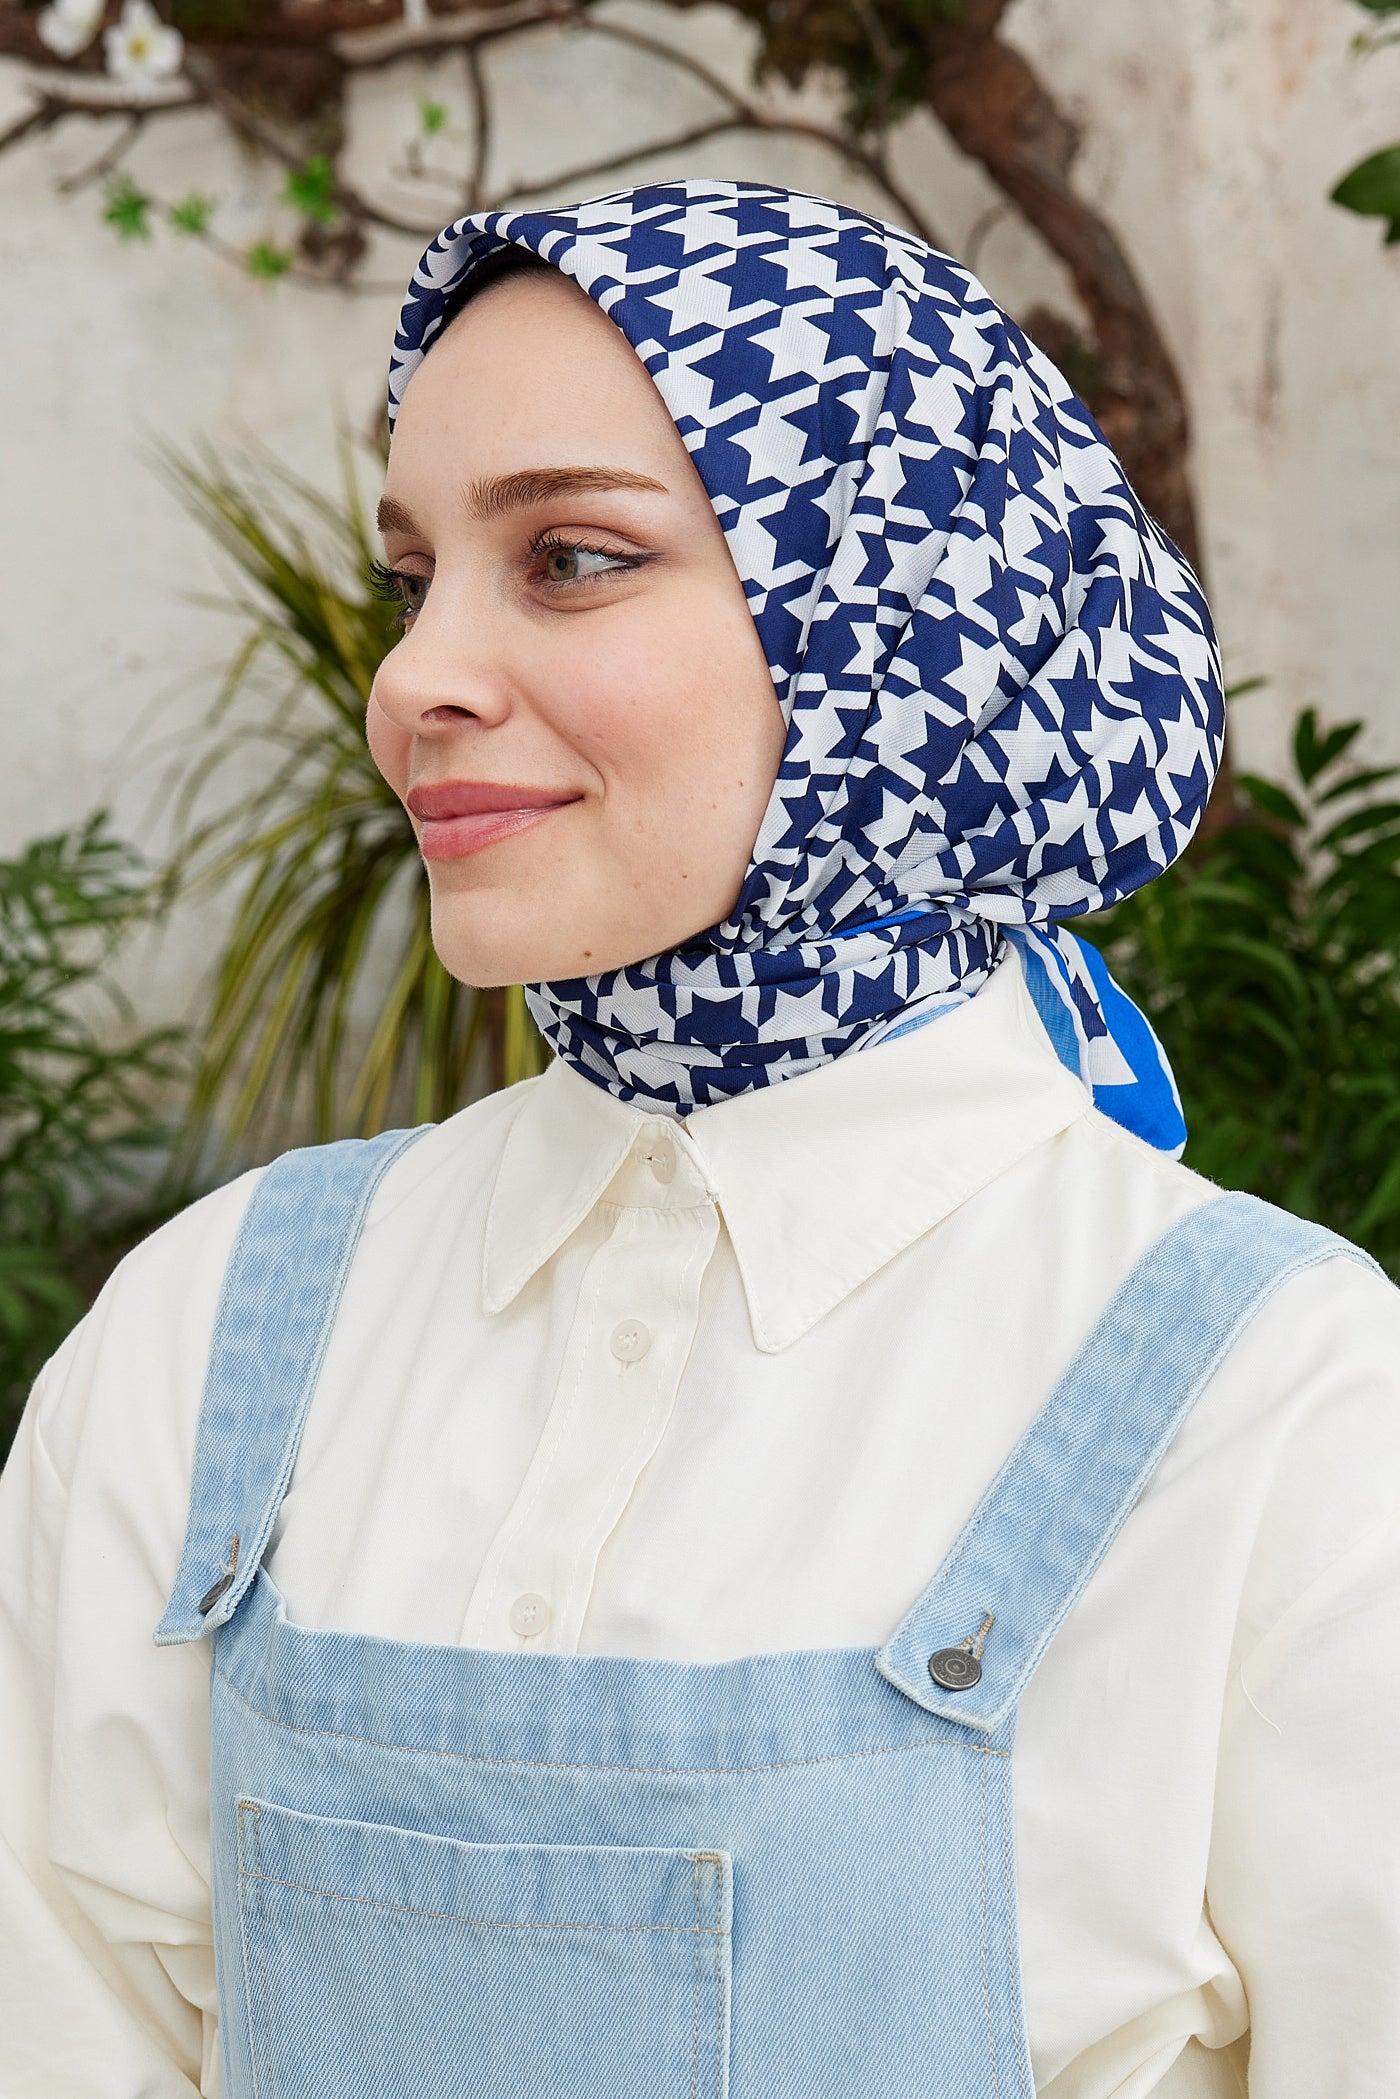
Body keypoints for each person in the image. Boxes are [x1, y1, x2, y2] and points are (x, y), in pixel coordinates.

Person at [2, 179, 1398, 2098]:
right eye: (414, 578)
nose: (413, 680)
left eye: (571, 557)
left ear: (896, 623)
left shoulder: (1286, 1417)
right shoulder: (205, 1341)